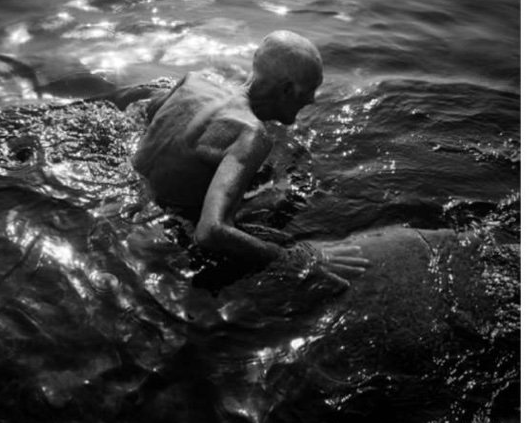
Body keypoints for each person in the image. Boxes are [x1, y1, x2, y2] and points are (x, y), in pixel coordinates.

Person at [128, 30, 369, 288]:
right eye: (310, 89)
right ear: (287, 89)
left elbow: (142, 115)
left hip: (129, 197)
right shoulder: (251, 135)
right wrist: (299, 260)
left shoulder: (192, 82)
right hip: (156, 237)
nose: (312, 99)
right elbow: (210, 232)